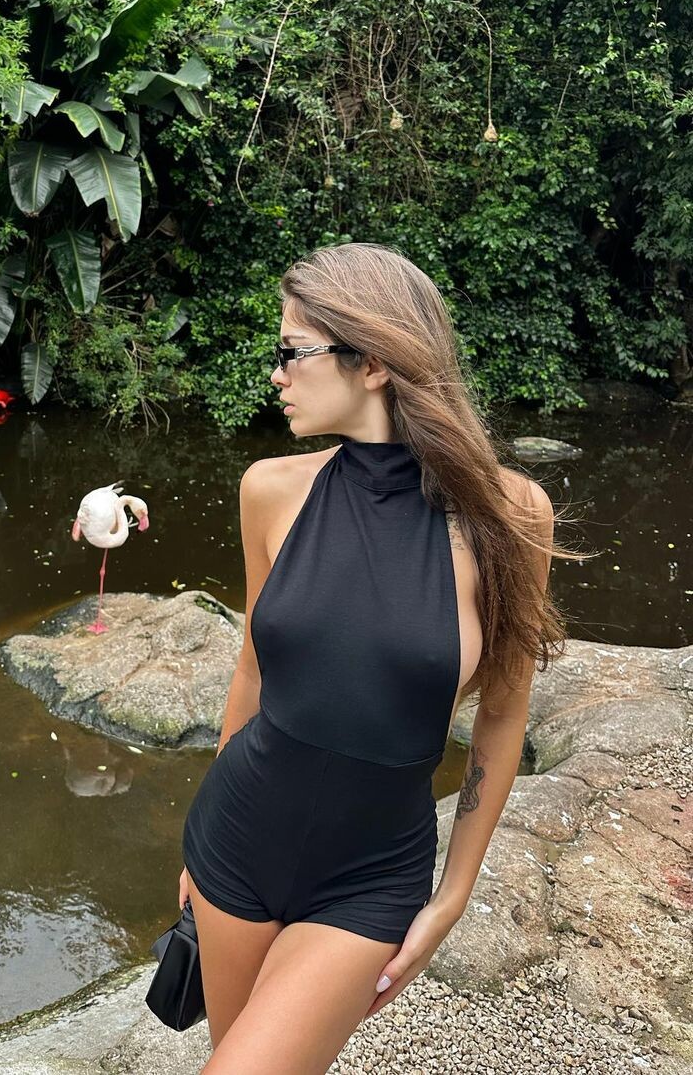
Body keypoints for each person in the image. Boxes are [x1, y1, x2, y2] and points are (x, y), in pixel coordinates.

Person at [179, 242, 576, 1074]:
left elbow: (503, 714)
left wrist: (453, 895)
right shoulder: (269, 489)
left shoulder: (510, 516)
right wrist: (197, 845)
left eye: (293, 350)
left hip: (367, 880)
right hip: (234, 843)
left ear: (373, 362)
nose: (276, 373)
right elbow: (252, 671)